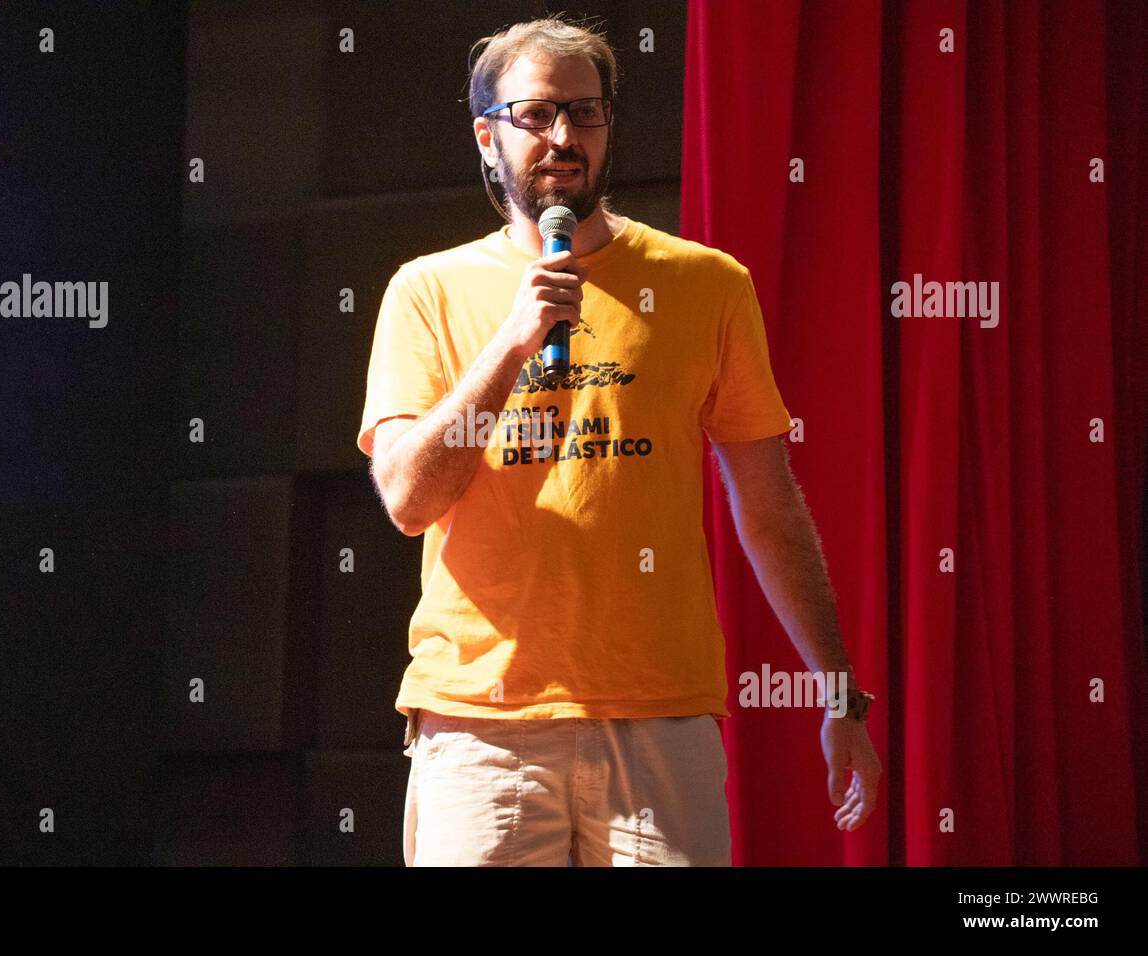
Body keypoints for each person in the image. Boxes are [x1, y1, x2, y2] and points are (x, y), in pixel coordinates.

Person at [356, 15, 880, 866]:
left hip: (658, 720)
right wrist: (512, 344)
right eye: (537, 114)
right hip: (481, 723)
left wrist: (837, 690)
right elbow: (410, 500)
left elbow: (768, 503)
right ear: (488, 137)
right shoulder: (428, 291)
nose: (564, 137)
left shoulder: (706, 284)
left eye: (586, 113)